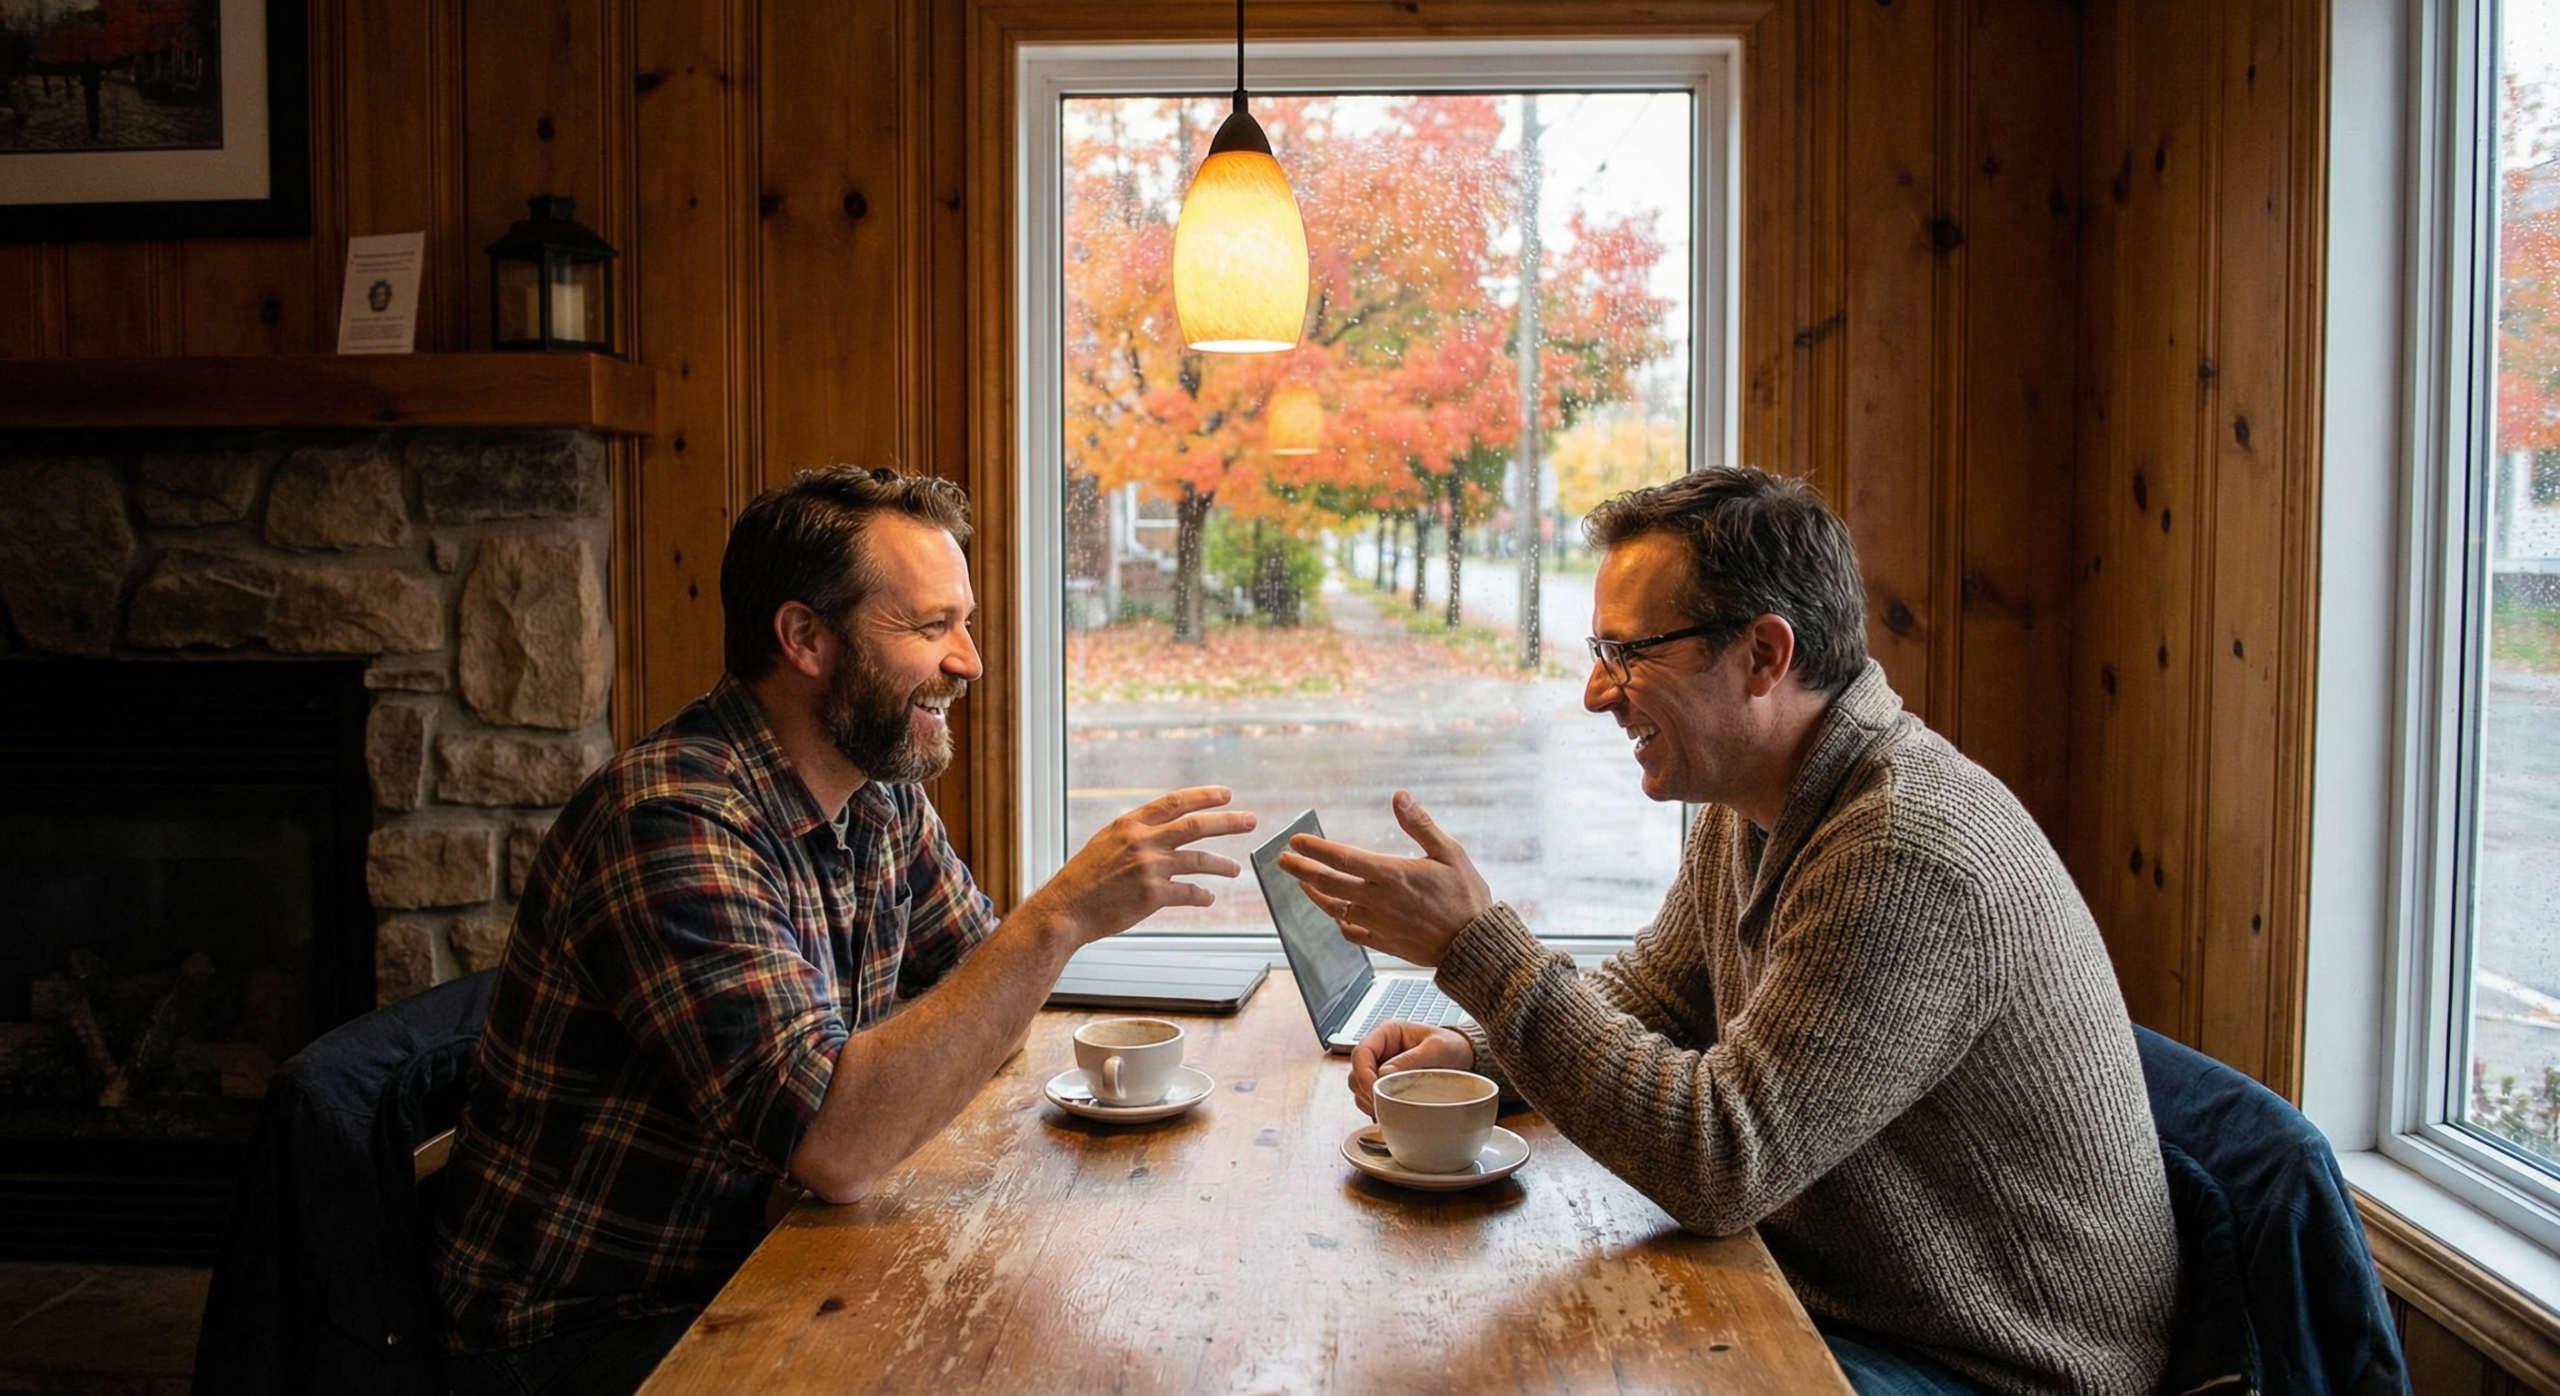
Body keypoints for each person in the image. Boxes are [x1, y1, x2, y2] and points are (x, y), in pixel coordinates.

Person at [1280, 467, 2178, 1396]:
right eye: (1600, 648)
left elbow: (1719, 1161)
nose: (1598, 692)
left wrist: (1479, 954)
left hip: (1988, 1367)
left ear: (1763, 655)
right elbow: (1661, 995)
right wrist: (1473, 1054)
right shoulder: (1757, 798)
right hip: (1847, 1300)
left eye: (1631, 651)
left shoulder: (1910, 851)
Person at [432, 466, 1253, 1395]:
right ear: (804, 638)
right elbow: (837, 1147)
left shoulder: (878, 794)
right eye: (930, 626)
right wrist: (1059, 917)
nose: (969, 661)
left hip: (761, 1258)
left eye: (965, 622)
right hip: (588, 1336)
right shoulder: (669, 818)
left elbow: (982, 1008)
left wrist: (1013, 961)